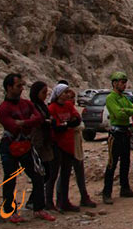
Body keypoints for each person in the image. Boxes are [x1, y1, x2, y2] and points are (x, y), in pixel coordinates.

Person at [0, 73, 56, 222]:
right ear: (9, 87)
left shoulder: (26, 104)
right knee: (10, 179)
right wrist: (28, 122)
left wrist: (23, 123)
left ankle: (38, 208)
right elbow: (13, 126)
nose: (22, 88)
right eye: (18, 86)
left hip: (26, 145)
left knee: (39, 175)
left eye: (22, 85)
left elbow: (39, 118)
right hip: (10, 146)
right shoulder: (3, 108)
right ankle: (10, 211)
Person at [102, 71, 133, 204]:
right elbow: (119, 115)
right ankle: (106, 193)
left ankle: (125, 188)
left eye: (125, 83)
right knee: (112, 164)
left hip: (125, 133)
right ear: (114, 83)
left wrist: (125, 111)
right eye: (122, 83)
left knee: (125, 162)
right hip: (116, 134)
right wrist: (126, 111)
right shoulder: (111, 98)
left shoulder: (123, 98)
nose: (124, 85)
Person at [48, 83, 82, 212]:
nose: (68, 94)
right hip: (57, 144)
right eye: (65, 92)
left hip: (69, 144)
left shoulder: (68, 105)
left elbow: (77, 119)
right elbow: (56, 127)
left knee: (66, 174)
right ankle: (49, 203)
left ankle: (64, 201)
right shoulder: (52, 108)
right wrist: (68, 124)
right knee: (53, 175)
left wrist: (65, 124)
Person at [65, 88, 96, 207]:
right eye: (70, 98)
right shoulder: (64, 110)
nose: (72, 100)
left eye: (73, 98)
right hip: (67, 146)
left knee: (79, 172)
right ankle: (62, 200)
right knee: (64, 174)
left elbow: (80, 125)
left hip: (77, 145)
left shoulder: (73, 111)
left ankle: (84, 197)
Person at [29, 81, 57, 211]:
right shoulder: (32, 106)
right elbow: (36, 120)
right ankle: (34, 201)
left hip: (45, 141)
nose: (45, 95)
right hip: (37, 142)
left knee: (46, 172)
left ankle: (34, 200)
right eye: (43, 92)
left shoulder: (42, 106)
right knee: (41, 172)